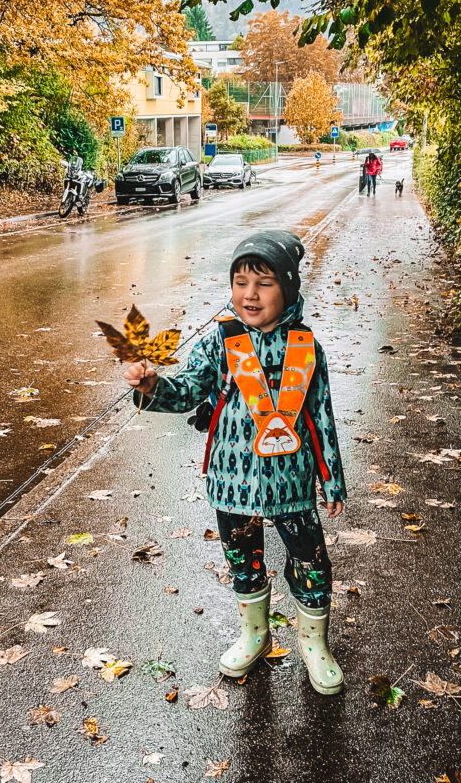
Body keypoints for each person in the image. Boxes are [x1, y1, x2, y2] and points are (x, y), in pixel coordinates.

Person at [124, 230, 347, 695]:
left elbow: (321, 415)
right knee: (242, 559)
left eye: (263, 282)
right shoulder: (220, 342)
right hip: (232, 480)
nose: (249, 294)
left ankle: (313, 643)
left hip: (293, 481)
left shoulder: (307, 348)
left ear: (287, 288)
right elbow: (185, 390)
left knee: (310, 561)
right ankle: (255, 633)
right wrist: (150, 387)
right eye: (240, 281)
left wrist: (333, 480)